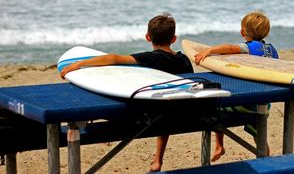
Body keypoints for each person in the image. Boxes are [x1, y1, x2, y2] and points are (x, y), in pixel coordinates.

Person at [60, 12, 194, 172]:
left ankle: (107, 129)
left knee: (117, 92)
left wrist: (78, 65)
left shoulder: (151, 58)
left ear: (148, 37)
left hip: (153, 117)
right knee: (164, 102)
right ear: (173, 39)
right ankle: (158, 159)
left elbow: (114, 58)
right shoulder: (184, 60)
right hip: (183, 115)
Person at [194, 11, 278, 162]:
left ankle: (219, 145)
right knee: (259, 136)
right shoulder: (273, 50)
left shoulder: (249, 47)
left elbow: (231, 48)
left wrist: (210, 50)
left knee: (215, 105)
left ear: (242, 32)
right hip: (264, 103)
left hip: (246, 103)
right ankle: (267, 159)